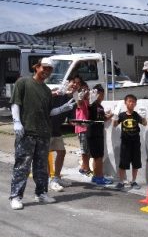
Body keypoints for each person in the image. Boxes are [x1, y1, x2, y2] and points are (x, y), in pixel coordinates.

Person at [9, 58, 76, 210]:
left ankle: (41, 193)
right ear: (37, 67)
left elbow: (49, 111)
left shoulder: (46, 90)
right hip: (27, 132)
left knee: (41, 167)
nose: (46, 71)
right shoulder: (23, 83)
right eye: (44, 68)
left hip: (44, 133)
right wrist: (16, 122)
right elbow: (15, 103)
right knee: (22, 166)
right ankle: (15, 196)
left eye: (50, 69)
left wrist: (62, 109)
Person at [48, 79, 79, 192]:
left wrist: (79, 122)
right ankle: (49, 179)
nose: (75, 85)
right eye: (73, 82)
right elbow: (46, 108)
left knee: (61, 152)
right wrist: (56, 93)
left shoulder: (73, 99)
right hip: (46, 128)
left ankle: (56, 177)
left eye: (78, 83)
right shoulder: (57, 92)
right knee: (46, 154)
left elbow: (71, 119)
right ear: (67, 83)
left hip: (56, 129)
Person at [113, 94, 147, 190]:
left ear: (135, 103)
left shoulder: (136, 115)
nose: (131, 103)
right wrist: (115, 116)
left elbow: (144, 124)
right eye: (129, 101)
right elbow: (115, 125)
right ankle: (121, 181)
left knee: (136, 162)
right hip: (125, 142)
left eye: (133, 101)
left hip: (135, 142)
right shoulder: (122, 115)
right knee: (123, 163)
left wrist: (144, 117)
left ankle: (133, 181)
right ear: (125, 102)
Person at [87, 84, 114, 185]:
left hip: (98, 133)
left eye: (102, 94)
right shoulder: (92, 104)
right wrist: (91, 97)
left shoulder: (100, 106)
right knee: (98, 157)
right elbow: (89, 105)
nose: (101, 97)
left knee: (97, 156)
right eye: (100, 94)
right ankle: (100, 177)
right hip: (93, 133)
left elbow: (103, 118)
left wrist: (110, 115)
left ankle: (95, 176)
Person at [75, 79, 92, 177]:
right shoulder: (80, 100)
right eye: (84, 90)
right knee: (84, 150)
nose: (86, 92)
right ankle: (86, 169)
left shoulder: (88, 101)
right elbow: (79, 103)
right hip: (82, 128)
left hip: (88, 127)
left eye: (87, 90)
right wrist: (81, 96)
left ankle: (83, 167)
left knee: (87, 149)